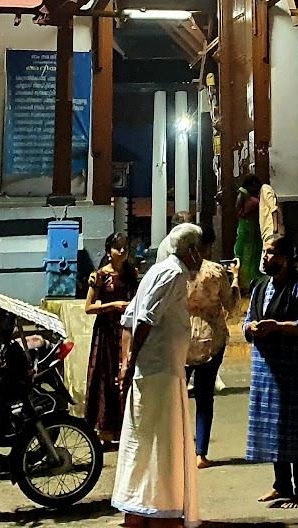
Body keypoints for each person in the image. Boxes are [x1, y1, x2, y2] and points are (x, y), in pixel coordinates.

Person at [112, 223, 206, 528]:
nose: (203, 257)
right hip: (158, 374)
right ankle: (156, 511)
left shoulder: (159, 270)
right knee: (159, 448)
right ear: (191, 250)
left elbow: (130, 319)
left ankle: (141, 511)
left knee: (146, 446)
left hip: (157, 372)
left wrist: (127, 363)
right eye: (201, 250)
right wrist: (129, 363)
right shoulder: (174, 273)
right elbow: (143, 319)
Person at [243, 234, 298, 508]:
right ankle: (281, 484)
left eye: (270, 253)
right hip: (265, 370)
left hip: (291, 370)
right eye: (264, 253)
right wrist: (251, 329)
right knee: (275, 428)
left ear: (287, 258)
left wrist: (280, 327)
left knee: (296, 429)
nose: (265, 258)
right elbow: (248, 320)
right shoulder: (260, 287)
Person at [184, 227, 239, 469]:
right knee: (205, 398)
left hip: (182, 336)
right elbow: (232, 305)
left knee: (176, 397)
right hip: (211, 338)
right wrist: (236, 277)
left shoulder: (177, 271)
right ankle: (200, 453)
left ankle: (177, 448)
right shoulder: (215, 272)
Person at [84, 233, 138, 443]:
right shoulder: (99, 276)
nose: (122, 252)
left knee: (125, 379)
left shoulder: (131, 273)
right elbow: (88, 307)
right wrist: (112, 306)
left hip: (126, 331)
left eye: (125, 248)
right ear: (109, 251)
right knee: (105, 379)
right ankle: (104, 431)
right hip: (107, 332)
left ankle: (125, 429)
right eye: (118, 248)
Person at [235, 176, 264, 286]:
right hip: (249, 229)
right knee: (249, 256)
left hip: (246, 228)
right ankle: (248, 282)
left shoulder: (245, 195)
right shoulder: (250, 199)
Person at [258, 176, 284, 249]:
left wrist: (275, 229)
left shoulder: (265, 189)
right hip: (267, 231)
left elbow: (273, 209)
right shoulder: (262, 192)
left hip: (271, 231)